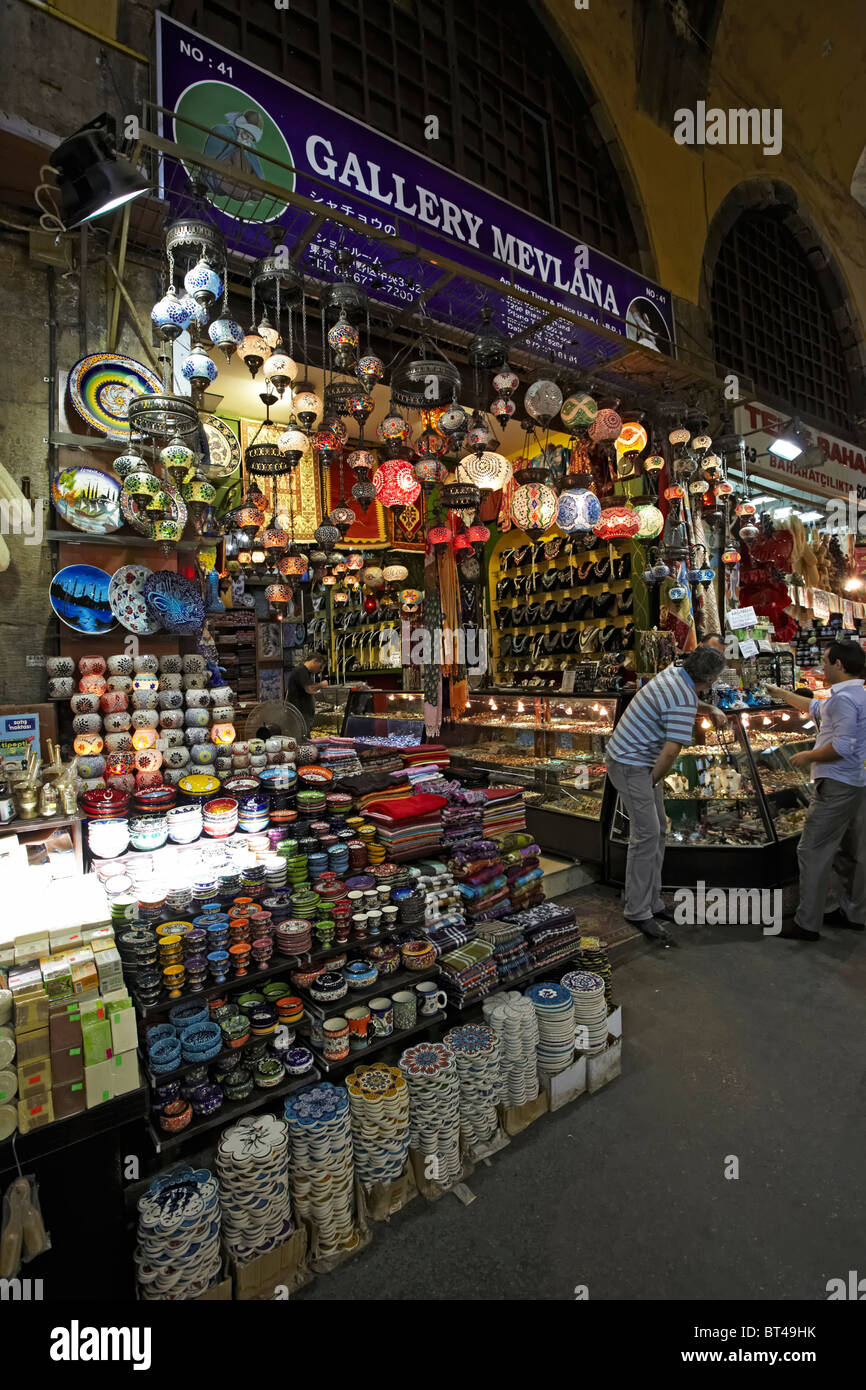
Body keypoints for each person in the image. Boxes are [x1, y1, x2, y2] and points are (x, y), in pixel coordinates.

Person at [605, 645, 727, 945]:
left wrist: (707, 708)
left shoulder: (674, 674)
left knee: (657, 831)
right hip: (632, 765)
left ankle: (652, 902)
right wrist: (651, 783)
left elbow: (679, 703)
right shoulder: (683, 697)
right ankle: (637, 909)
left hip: (636, 760)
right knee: (646, 835)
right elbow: (671, 750)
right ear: (710, 679)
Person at [766, 639, 866, 940]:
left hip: (836, 784)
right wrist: (780, 693)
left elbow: (843, 746)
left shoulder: (845, 700)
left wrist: (807, 756)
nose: (822, 666)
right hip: (855, 782)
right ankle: (853, 911)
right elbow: (815, 708)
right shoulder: (856, 695)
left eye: (825, 661)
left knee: (811, 850)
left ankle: (807, 922)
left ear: (839, 664)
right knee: (851, 851)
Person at [286, 654, 327, 733]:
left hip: (303, 716)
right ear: (314, 661)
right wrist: (321, 684)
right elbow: (309, 689)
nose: (320, 670)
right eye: (320, 666)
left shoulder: (307, 673)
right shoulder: (301, 671)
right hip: (299, 715)